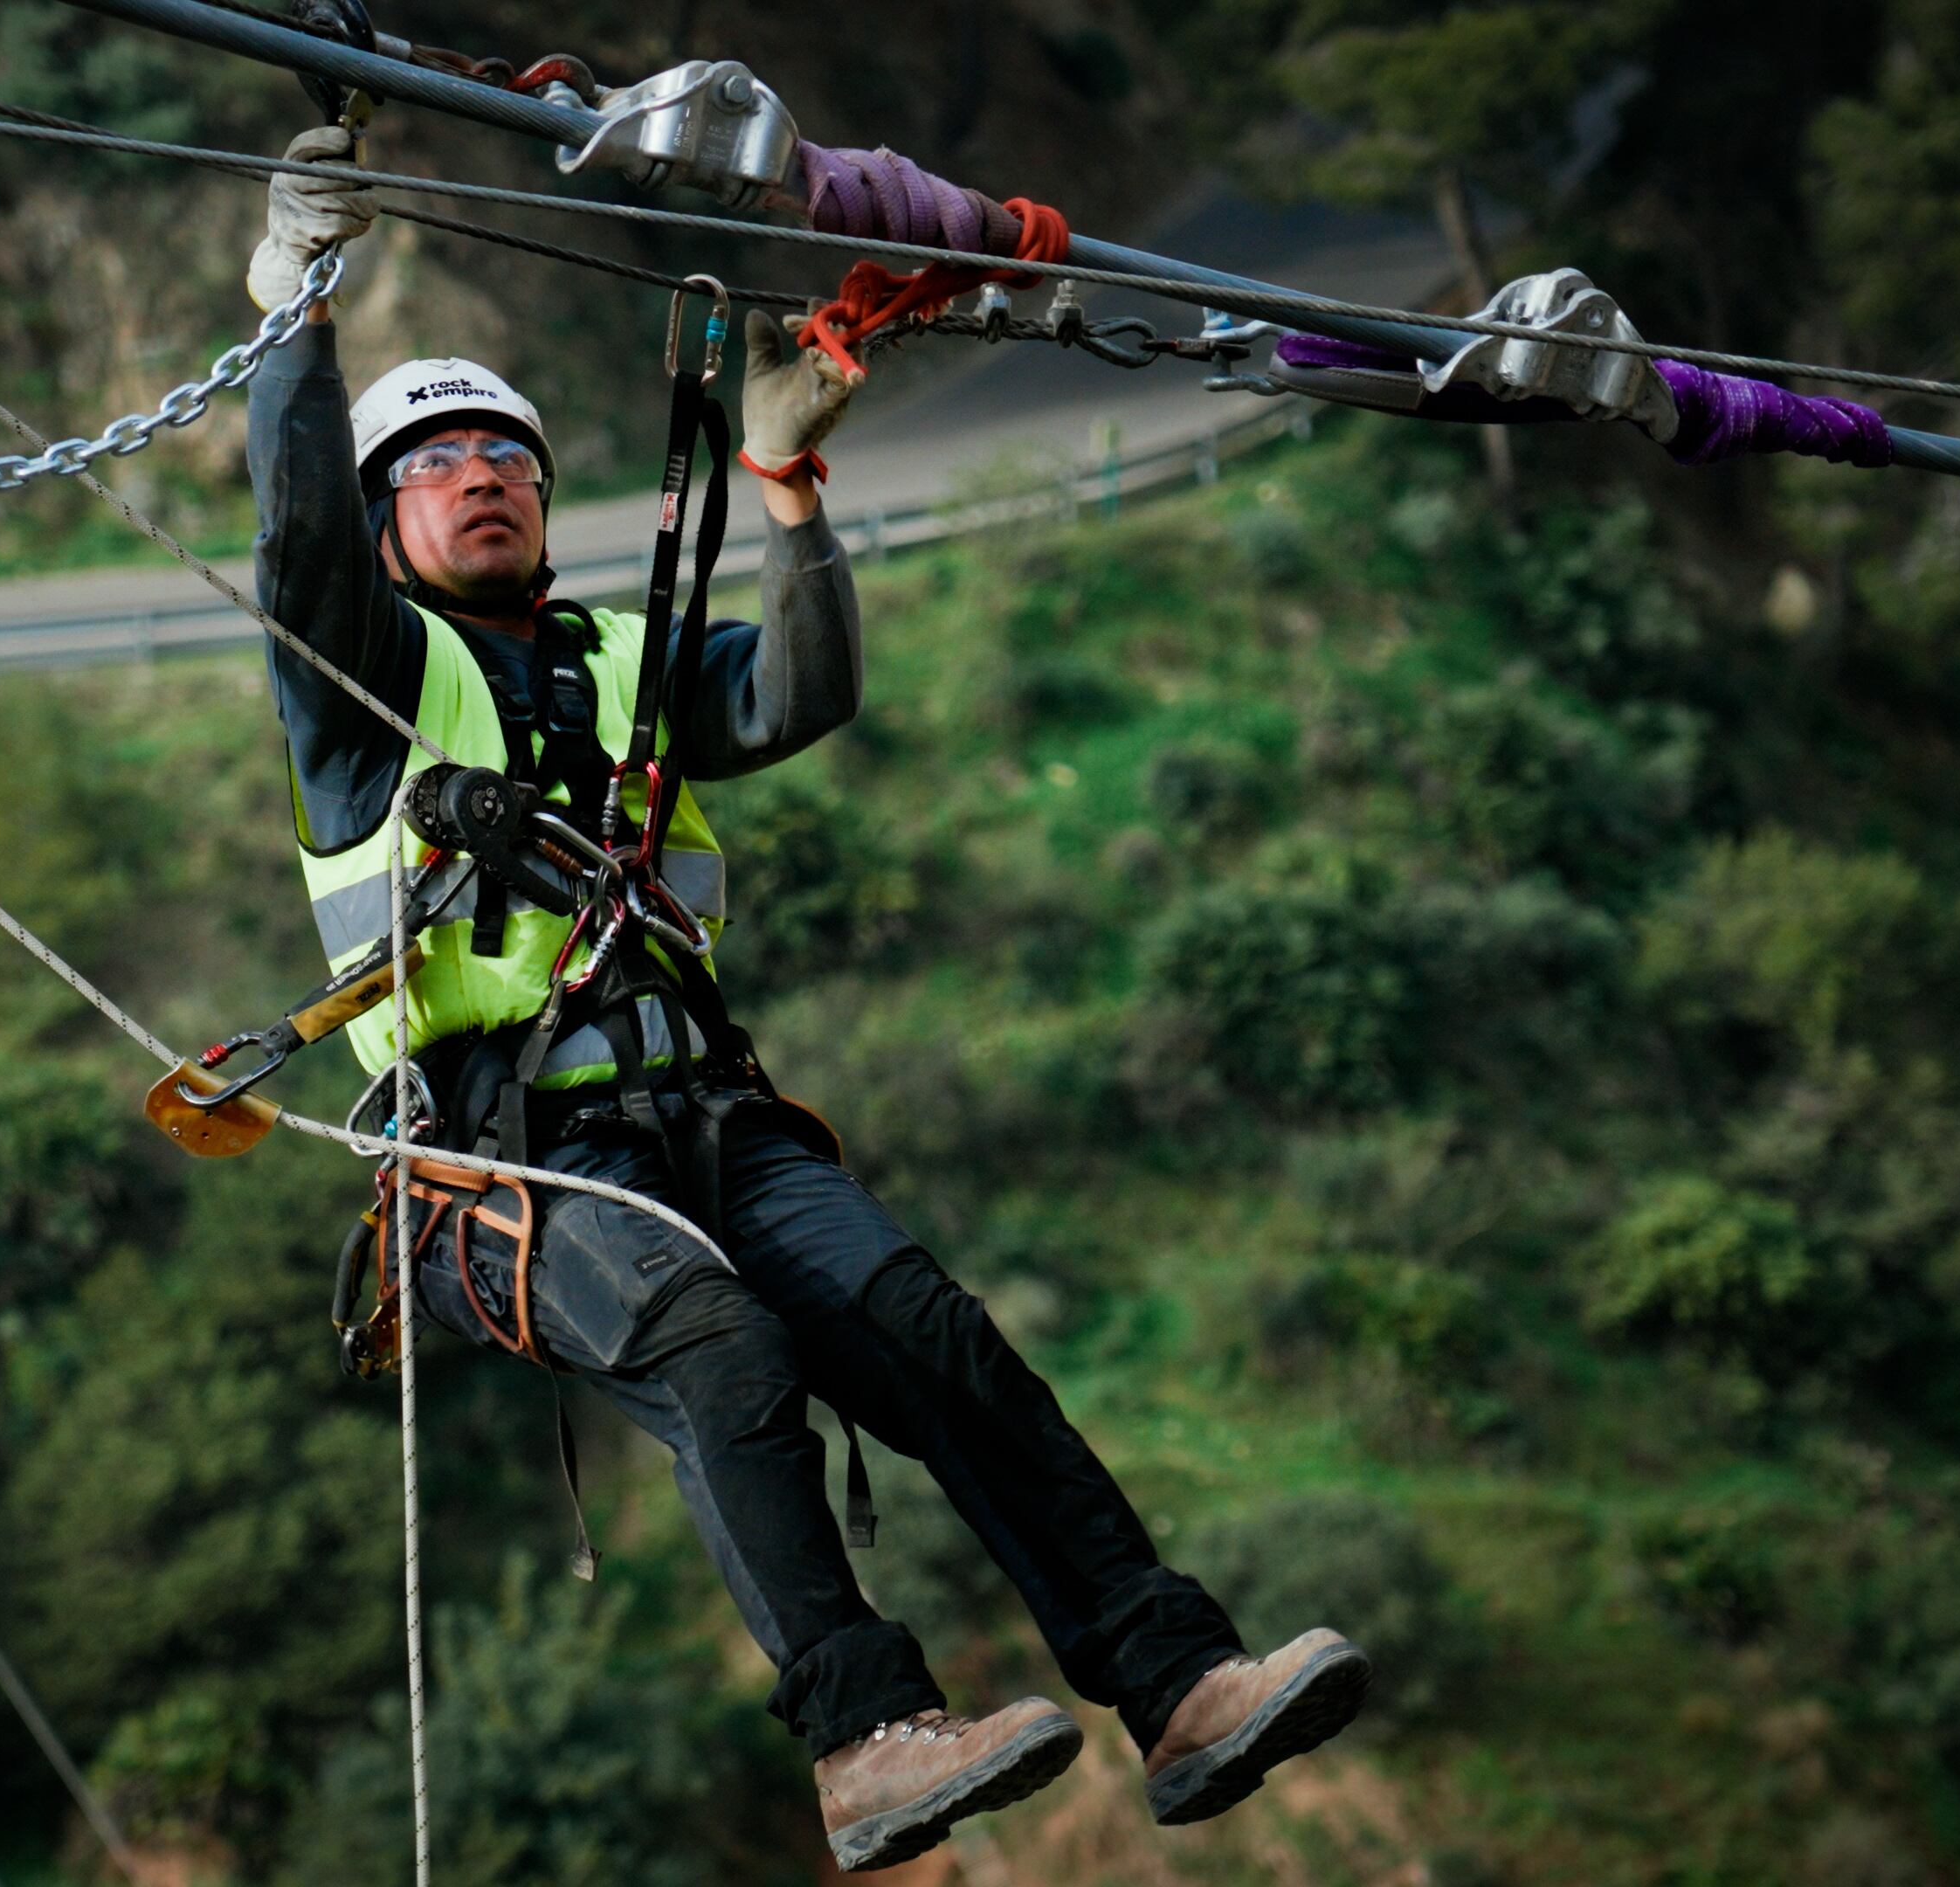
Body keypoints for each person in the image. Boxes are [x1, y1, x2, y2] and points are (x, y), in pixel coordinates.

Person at [241, 125, 1370, 1873]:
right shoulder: (367, 677)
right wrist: (296, 313)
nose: (484, 476)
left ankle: (1177, 1681)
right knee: (722, 1347)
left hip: (706, 1111)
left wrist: (782, 493)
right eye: (439, 459)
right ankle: (864, 1736)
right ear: (390, 513)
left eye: (510, 454)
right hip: (499, 1151)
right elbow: (300, 545)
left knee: (933, 1336)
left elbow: (796, 697)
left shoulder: (622, 661)